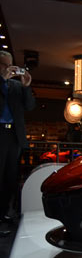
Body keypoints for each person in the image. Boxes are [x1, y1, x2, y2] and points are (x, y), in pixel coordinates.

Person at [0, 50, 35, 233]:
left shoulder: (16, 86)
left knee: (10, 178)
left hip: (14, 135)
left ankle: (5, 212)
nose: (9, 68)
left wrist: (26, 86)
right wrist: (2, 80)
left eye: (10, 65)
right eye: (4, 65)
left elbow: (29, 106)